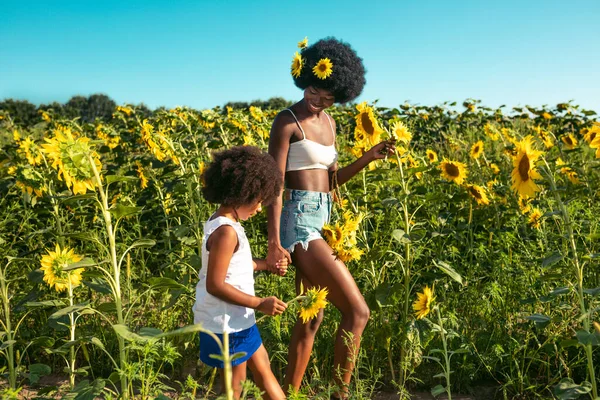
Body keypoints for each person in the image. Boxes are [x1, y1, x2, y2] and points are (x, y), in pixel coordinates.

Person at [266, 37, 396, 398]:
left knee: (312, 316)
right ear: (304, 79)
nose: (318, 101)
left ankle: (289, 395)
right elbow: (274, 186)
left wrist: (368, 156)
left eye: (327, 97)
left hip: (324, 218)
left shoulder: (331, 124)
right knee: (357, 311)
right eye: (313, 91)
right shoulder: (287, 122)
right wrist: (274, 241)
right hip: (298, 220)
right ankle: (340, 394)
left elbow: (332, 180)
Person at [193, 146, 289, 400]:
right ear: (242, 193)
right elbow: (215, 284)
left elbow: (235, 265)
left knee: (262, 366)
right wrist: (260, 303)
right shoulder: (226, 232)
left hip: (239, 319)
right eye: (258, 200)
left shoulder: (227, 224)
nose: (259, 209)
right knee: (236, 387)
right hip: (227, 324)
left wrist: (266, 265)